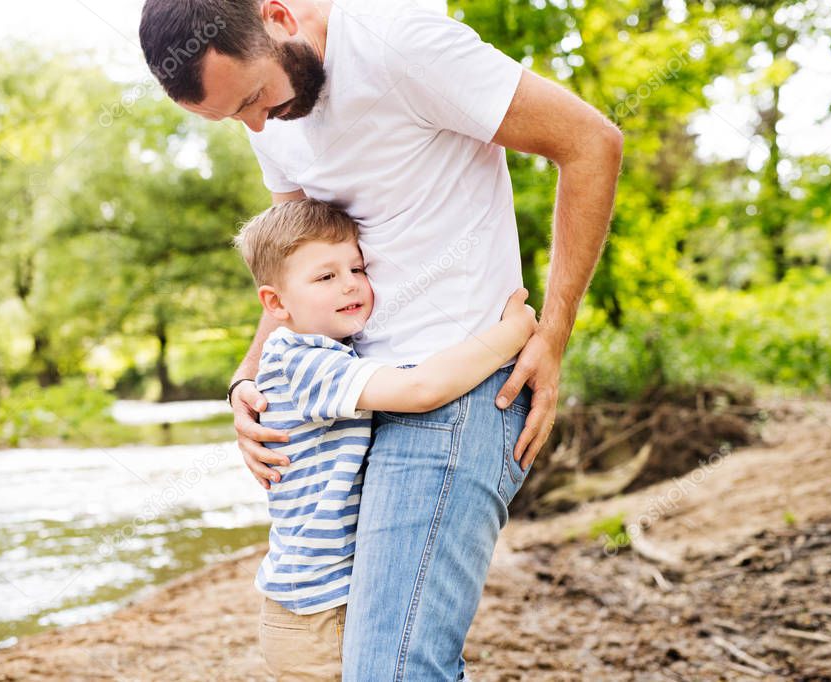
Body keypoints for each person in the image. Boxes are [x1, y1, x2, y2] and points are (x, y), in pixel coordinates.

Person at [140, 0, 622, 678]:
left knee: (395, 670)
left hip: (458, 391)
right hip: (357, 403)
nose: (255, 125)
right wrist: (248, 380)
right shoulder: (265, 112)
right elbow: (294, 263)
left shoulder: (401, 44)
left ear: (277, 17)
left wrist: (553, 332)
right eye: (233, 117)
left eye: (253, 99)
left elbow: (590, 142)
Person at [234, 198, 536, 680]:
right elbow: (422, 389)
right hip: (317, 614)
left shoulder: (334, 351)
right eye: (325, 277)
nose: (350, 283)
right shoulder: (305, 361)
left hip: (318, 602)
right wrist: (513, 332)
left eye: (356, 267)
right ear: (276, 304)